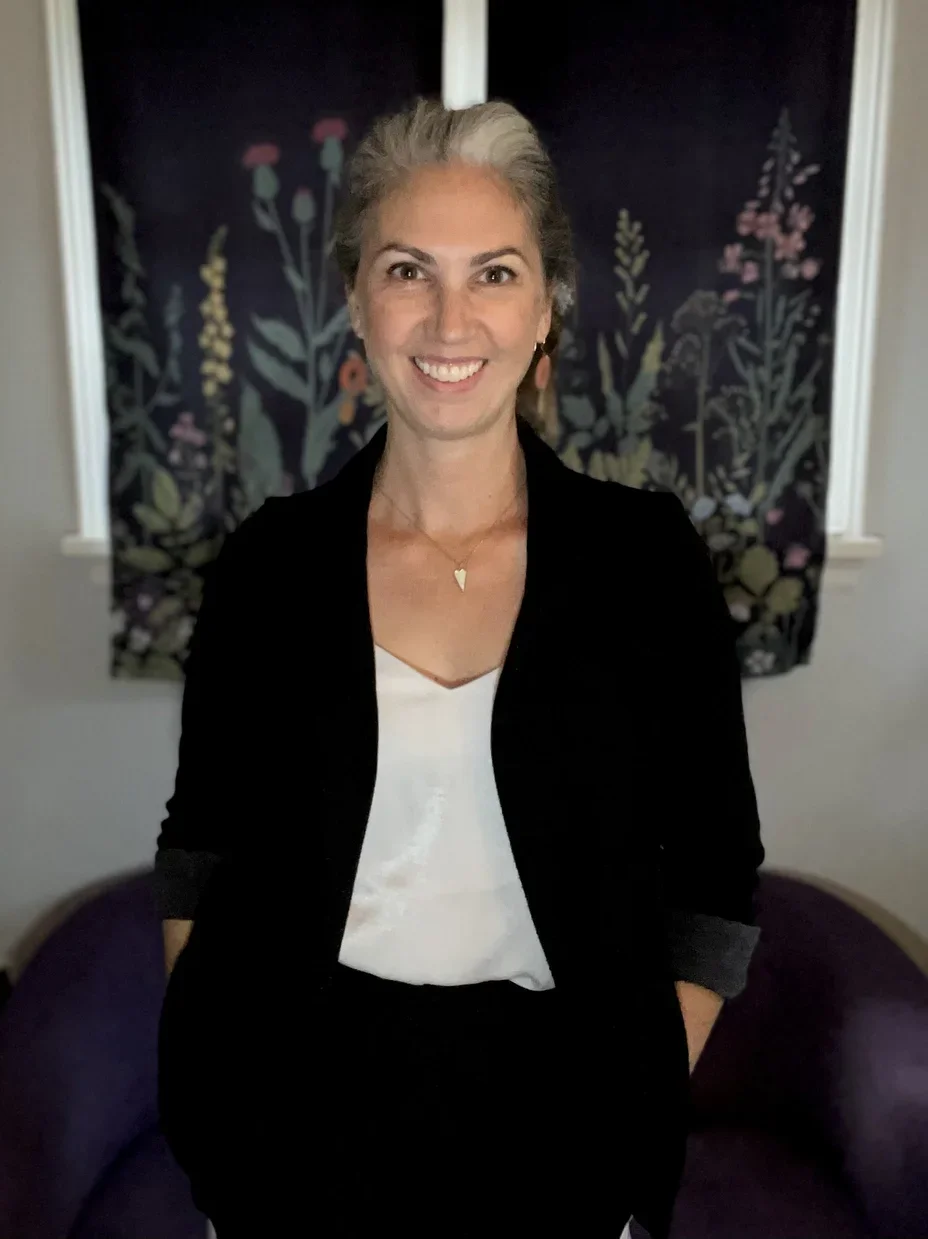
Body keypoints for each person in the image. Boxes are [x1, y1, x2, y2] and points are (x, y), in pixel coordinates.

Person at [155, 96, 765, 1239]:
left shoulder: (644, 564)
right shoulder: (271, 567)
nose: (449, 319)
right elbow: (200, 844)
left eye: (493, 273)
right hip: (288, 1117)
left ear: (547, 307)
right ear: (353, 301)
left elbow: (717, 866)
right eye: (405, 269)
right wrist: (217, 1074)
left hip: (561, 1114)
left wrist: (633, 1082)